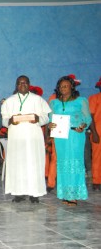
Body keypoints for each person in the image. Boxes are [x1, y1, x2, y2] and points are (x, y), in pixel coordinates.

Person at [1, 75, 51, 203]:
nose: (22, 85)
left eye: (25, 83)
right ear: (16, 85)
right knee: (17, 164)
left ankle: (34, 193)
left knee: (33, 164)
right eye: (19, 83)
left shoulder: (37, 99)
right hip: (16, 138)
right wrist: (10, 120)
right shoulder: (9, 101)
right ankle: (18, 192)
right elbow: (3, 120)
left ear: (29, 84)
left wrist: (38, 119)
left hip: (33, 138)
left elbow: (46, 117)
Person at [49, 76, 91, 206]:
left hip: (75, 136)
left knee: (74, 163)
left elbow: (87, 118)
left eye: (66, 86)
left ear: (72, 87)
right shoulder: (54, 103)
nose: (63, 88)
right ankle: (64, 193)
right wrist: (50, 125)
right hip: (60, 137)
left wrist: (83, 126)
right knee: (62, 164)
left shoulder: (81, 101)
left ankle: (73, 195)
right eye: (61, 86)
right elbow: (50, 118)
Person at [88, 77, 101, 191]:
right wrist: (95, 133)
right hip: (98, 131)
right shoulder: (94, 98)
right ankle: (97, 181)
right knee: (97, 157)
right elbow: (90, 116)